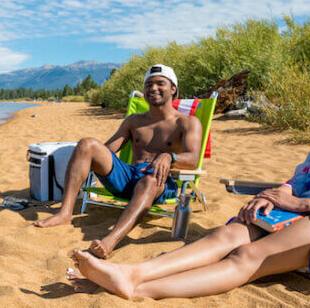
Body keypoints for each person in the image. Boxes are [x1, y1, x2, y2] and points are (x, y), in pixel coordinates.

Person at [67, 44, 310, 300]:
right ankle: (133, 271)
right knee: (226, 233)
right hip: (304, 206)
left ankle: (137, 288)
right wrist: (271, 196)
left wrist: (302, 203)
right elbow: (303, 175)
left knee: (245, 257)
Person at [33, 64, 202, 259]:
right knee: (87, 144)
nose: (153, 88)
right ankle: (64, 213)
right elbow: (107, 150)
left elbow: (193, 159)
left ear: (173, 89)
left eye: (160, 83)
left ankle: (110, 240)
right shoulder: (134, 121)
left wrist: (169, 156)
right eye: (148, 84)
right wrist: (89, 154)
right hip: (128, 178)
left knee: (149, 180)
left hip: (160, 182)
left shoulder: (187, 122)